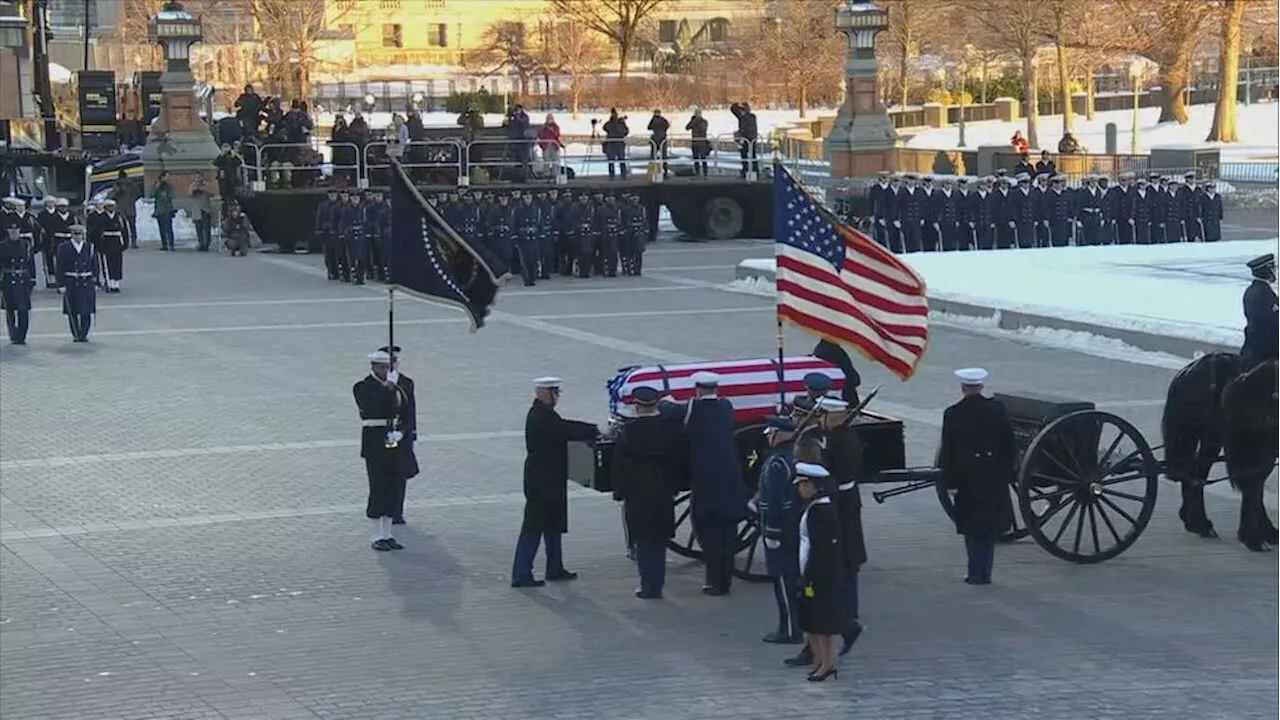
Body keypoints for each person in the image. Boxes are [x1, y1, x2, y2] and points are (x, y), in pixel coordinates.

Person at [512, 377, 599, 588]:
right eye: (556, 392)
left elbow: (563, 426)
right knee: (534, 526)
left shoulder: (544, 413)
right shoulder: (542, 416)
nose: (558, 397)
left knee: (552, 524)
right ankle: (521, 573)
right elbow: (564, 430)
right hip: (542, 481)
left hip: (549, 478)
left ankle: (555, 567)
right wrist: (593, 430)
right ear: (545, 393)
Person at [937, 368, 1015, 585]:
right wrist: (1006, 472)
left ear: (963, 387)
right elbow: (1008, 443)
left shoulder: (952, 413)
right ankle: (985, 572)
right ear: (981, 386)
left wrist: (949, 482)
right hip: (992, 475)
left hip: (965, 477)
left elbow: (948, 451)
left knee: (971, 527)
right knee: (988, 528)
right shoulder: (997, 409)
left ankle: (974, 571)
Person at [610, 386, 686, 599]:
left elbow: (619, 465)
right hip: (663, 492)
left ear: (637, 406)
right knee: (659, 540)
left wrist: (619, 491)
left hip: (638, 493)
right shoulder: (670, 429)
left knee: (643, 541)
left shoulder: (629, 432)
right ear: (656, 404)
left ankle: (647, 585)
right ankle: (658, 585)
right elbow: (679, 461)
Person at [814, 398, 866, 656]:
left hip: (841, 507)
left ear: (832, 417)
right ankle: (848, 615)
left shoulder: (839, 441)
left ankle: (848, 617)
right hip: (846, 504)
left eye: (822, 415)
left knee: (845, 563)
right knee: (847, 563)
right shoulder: (842, 437)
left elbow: (834, 474)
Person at [683, 371, 742, 596]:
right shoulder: (726, 406)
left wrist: (667, 400)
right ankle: (725, 580)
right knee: (728, 533)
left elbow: (671, 410)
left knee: (712, 537)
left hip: (707, 483)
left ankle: (715, 583)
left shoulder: (694, 409)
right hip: (731, 481)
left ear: (697, 390)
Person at [792, 462, 844, 682]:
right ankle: (819, 662)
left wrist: (808, 577)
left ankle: (827, 664)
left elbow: (820, 549)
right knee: (812, 623)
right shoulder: (816, 509)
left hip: (819, 577)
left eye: (804, 484)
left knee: (822, 625)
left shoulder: (820, 512)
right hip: (813, 574)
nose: (800, 489)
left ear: (816, 487)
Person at [353, 349, 408, 551]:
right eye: (381, 367)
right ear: (373, 367)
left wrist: (401, 432)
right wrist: (390, 387)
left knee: (392, 487)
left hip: (392, 439)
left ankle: (388, 534)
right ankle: (377, 535)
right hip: (374, 443)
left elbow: (404, 412)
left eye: (387, 367)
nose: (385, 371)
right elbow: (374, 406)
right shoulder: (363, 387)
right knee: (378, 487)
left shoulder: (396, 388)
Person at [758, 414, 802, 644]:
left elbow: (774, 499)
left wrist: (772, 531)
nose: (768, 438)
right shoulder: (793, 456)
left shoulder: (777, 462)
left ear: (778, 434)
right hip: (794, 525)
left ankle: (790, 629)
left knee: (784, 580)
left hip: (780, 528)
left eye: (771, 433)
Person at [380, 345, 419, 525]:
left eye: (394, 361)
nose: (393, 364)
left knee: (400, 474)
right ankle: (384, 509)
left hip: (401, 434)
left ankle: (397, 511)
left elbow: (411, 410)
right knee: (383, 474)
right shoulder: (375, 383)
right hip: (382, 434)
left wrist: (411, 433)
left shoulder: (406, 382)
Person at [1239, 254, 1280, 371]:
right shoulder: (1263, 294)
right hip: (1266, 350)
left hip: (1253, 345)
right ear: (1267, 271)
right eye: (1273, 268)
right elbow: (1274, 322)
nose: (1275, 272)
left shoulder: (1253, 290)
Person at [56, 225, 97, 342]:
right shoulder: (64, 247)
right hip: (71, 281)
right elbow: (60, 266)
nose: (78, 237)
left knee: (86, 310)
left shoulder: (90, 247)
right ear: (72, 235)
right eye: (75, 234)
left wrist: (95, 279)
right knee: (72, 310)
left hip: (86, 281)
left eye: (80, 234)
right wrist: (61, 284)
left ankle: (84, 333)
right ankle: (76, 333)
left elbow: (94, 264)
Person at [0, 224, 35, 344]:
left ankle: (22, 335)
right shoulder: (2, 246)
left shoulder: (25, 245)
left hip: (23, 279)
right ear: (8, 231)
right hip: (8, 280)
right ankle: (13, 334)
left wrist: (32, 279)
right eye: (11, 230)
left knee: (23, 309)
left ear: (19, 230)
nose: (14, 232)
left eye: (16, 230)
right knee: (10, 309)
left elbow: (31, 262)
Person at [97, 199, 127, 293]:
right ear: (105, 207)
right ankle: (110, 282)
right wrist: (100, 245)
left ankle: (116, 282)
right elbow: (98, 231)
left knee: (117, 262)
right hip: (106, 241)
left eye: (112, 206)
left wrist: (125, 243)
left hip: (117, 241)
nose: (111, 208)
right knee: (108, 263)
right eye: (109, 206)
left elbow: (124, 230)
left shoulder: (119, 217)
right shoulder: (101, 217)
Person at [109, 169, 139, 249]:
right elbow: (137, 193)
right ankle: (134, 242)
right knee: (132, 226)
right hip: (131, 207)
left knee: (123, 227)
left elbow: (113, 195)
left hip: (121, 208)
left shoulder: (118, 184)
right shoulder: (132, 184)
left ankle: (125, 242)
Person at [151, 171, 177, 251]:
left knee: (168, 228)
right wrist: (156, 187)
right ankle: (164, 244)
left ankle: (171, 244)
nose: (168, 179)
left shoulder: (169, 186)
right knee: (161, 228)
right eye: (166, 177)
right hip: (159, 210)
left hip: (167, 209)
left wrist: (166, 196)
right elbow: (152, 194)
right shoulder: (157, 185)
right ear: (162, 177)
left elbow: (171, 196)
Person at [602, 109, 630, 180]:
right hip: (611, 143)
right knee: (611, 161)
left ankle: (623, 175)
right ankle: (612, 176)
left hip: (619, 143)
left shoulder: (621, 123)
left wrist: (619, 126)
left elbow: (626, 131)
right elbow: (605, 128)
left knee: (621, 160)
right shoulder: (609, 123)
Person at [685, 107, 710, 178]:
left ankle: (705, 173)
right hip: (695, 142)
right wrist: (692, 120)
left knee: (703, 158)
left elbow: (702, 129)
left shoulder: (704, 121)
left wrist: (695, 121)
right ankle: (697, 173)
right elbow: (687, 127)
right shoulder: (695, 121)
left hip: (701, 142)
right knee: (696, 158)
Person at [647, 109, 670, 177]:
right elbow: (667, 126)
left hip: (655, 140)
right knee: (664, 157)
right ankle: (665, 172)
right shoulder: (663, 120)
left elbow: (649, 127)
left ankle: (652, 171)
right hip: (663, 139)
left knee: (653, 157)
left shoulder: (653, 120)